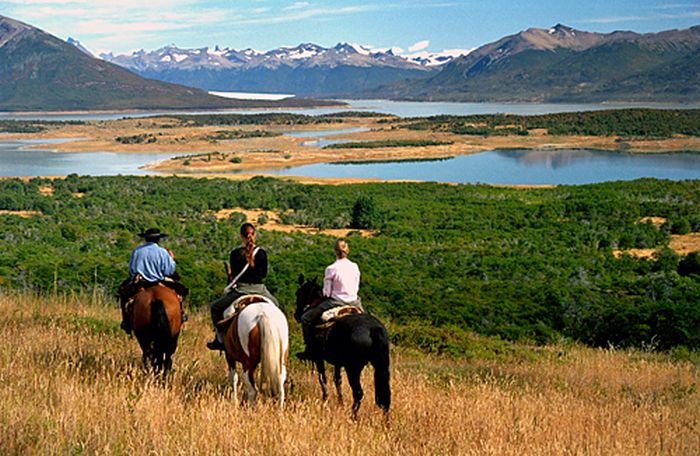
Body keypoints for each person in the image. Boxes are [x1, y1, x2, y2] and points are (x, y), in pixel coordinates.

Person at [207, 222, 279, 350]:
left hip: (241, 290)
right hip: (260, 289)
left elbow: (234, 274)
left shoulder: (235, 253)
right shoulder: (262, 253)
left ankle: (219, 339)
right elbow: (263, 274)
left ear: (241, 236)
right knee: (277, 306)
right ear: (254, 235)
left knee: (215, 308)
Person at [297, 239, 363, 360]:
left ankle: (309, 350)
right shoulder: (355, 266)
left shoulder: (331, 269)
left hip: (335, 302)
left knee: (305, 319)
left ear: (335, 251)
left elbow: (326, 293)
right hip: (355, 301)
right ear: (347, 250)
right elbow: (357, 287)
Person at [118, 228, 189, 334]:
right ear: (158, 240)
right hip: (159, 280)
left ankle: (126, 322)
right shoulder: (163, 252)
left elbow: (132, 270)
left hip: (141, 281)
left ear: (146, 239)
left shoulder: (137, 251)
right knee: (180, 293)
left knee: (124, 295)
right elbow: (169, 270)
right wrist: (172, 260)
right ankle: (181, 315)